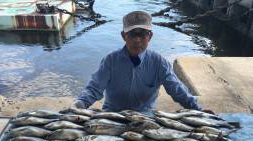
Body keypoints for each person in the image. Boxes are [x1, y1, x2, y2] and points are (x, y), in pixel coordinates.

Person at [74, 10, 202, 113]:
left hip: (144, 117)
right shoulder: (110, 60)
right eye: (132, 34)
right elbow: (94, 88)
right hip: (112, 115)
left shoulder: (159, 62)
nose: (137, 40)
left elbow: (177, 89)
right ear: (124, 36)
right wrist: (80, 104)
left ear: (150, 36)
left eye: (142, 34)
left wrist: (197, 109)